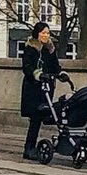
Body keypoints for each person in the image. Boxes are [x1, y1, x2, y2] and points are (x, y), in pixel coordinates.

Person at [19, 23, 65, 157]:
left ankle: (33, 147)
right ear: (37, 34)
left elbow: (55, 65)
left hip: (47, 87)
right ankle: (29, 148)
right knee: (35, 117)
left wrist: (60, 73)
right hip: (33, 87)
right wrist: (37, 74)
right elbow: (26, 67)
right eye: (43, 33)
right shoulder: (30, 48)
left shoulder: (50, 49)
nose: (46, 36)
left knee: (44, 115)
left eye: (48, 33)